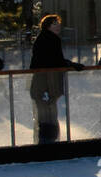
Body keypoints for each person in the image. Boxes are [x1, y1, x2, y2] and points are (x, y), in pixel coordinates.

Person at [28, 14, 85, 143]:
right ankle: (48, 141)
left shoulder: (46, 38)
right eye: (54, 23)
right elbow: (54, 60)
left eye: (58, 23)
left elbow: (53, 59)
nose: (58, 25)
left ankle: (46, 140)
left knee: (46, 113)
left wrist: (69, 64)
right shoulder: (50, 39)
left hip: (44, 83)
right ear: (47, 26)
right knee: (47, 113)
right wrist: (70, 64)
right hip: (45, 83)